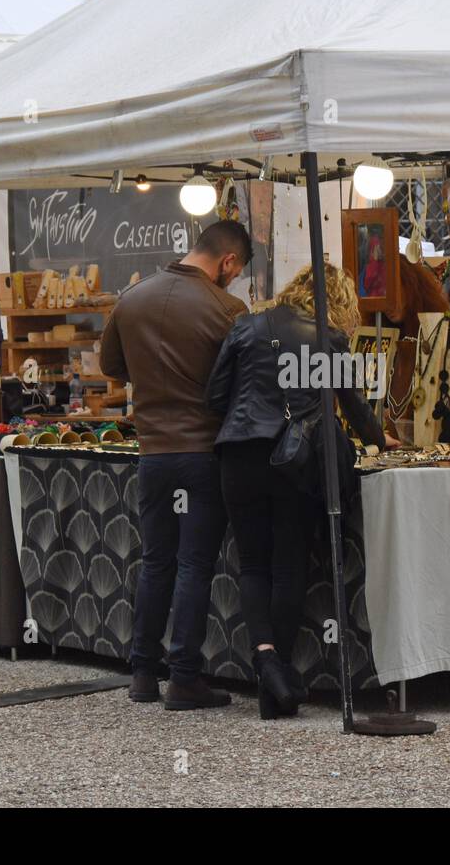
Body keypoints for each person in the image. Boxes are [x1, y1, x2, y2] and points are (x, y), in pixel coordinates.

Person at [207, 263, 396, 719]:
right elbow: (353, 404)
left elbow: (214, 397)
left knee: (252, 563)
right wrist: (380, 440)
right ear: (340, 300)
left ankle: (267, 661)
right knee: (288, 563)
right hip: (293, 461)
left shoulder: (246, 326)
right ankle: (276, 688)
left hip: (238, 455)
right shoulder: (329, 338)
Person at [100, 220, 251, 710]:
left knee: (156, 561)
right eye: (237, 270)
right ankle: (184, 678)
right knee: (193, 564)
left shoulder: (132, 298)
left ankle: (143, 673)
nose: (234, 279)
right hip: (203, 454)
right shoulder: (227, 308)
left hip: (153, 453)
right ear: (228, 262)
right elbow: (240, 379)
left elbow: (111, 367)